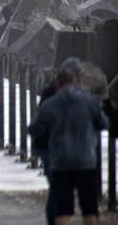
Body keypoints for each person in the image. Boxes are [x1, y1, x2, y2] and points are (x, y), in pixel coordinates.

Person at [28, 68, 108, 225]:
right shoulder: (89, 101)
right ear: (75, 82)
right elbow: (103, 124)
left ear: (57, 85)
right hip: (86, 161)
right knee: (89, 208)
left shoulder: (49, 105)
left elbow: (34, 129)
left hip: (61, 162)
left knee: (63, 208)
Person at [36, 57, 85, 225]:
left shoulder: (54, 92)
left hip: (53, 147)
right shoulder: (55, 94)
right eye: (77, 78)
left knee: (57, 188)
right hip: (50, 147)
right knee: (58, 188)